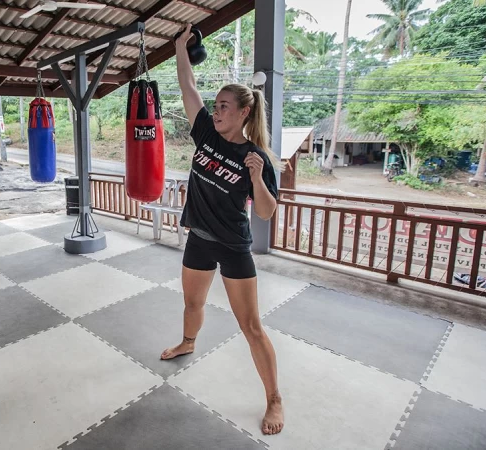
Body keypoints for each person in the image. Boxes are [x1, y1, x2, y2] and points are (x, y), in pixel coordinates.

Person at [160, 24, 284, 435]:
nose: (217, 111)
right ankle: (188, 342)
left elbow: (265, 213)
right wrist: (180, 48)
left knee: (250, 326)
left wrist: (257, 179)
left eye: (225, 106)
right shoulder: (207, 135)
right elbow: (187, 85)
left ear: (245, 112)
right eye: (216, 105)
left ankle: (274, 399)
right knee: (191, 306)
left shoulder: (256, 157)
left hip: (233, 246)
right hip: (199, 238)